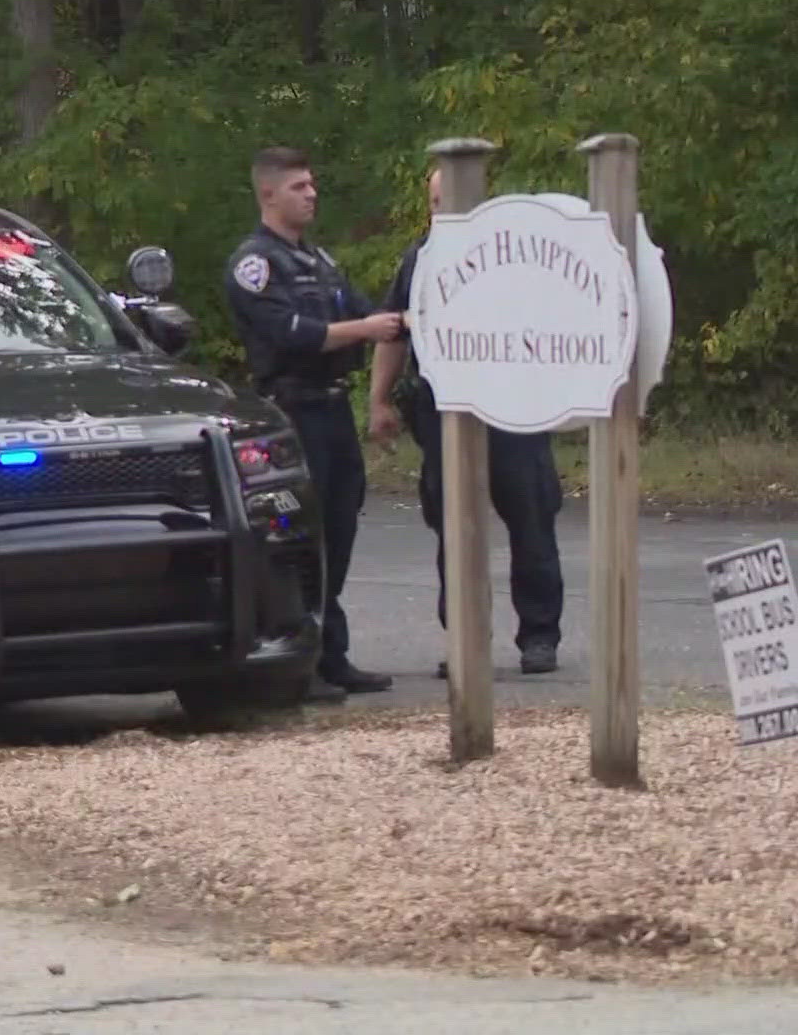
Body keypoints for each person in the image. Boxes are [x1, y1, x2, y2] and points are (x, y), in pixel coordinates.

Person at [368, 168, 565, 677]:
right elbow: (395, 331)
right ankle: (466, 640)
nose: (441, 211)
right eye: (434, 201)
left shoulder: (517, 256)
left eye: (450, 200)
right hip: (444, 410)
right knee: (454, 528)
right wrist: (379, 401)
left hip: (514, 408)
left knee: (531, 520)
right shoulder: (419, 259)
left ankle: (539, 637)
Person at [223, 146, 404, 699]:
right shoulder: (255, 265)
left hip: (333, 408)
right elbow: (297, 335)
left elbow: (369, 316)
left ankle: (331, 653)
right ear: (269, 194)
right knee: (302, 534)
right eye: (299, 186)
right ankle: (296, 660)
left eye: (312, 184)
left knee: (340, 528)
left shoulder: (319, 263)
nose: (312, 194)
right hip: (293, 410)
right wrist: (366, 328)